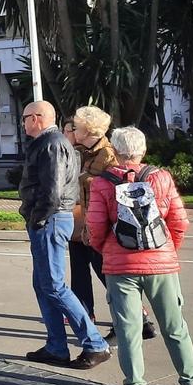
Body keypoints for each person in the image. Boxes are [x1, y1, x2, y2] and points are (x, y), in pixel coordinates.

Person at [87, 127, 193, 385]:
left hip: (120, 265)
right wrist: (168, 249)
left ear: (114, 152)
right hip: (162, 264)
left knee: (128, 330)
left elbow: (95, 227)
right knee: (174, 326)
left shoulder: (103, 183)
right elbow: (180, 222)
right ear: (143, 150)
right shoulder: (161, 178)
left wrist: (106, 250)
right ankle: (191, 382)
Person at [19, 101, 111, 370]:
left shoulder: (53, 143)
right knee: (44, 284)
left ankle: (95, 344)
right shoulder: (53, 142)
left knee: (54, 285)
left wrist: (38, 217)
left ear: (36, 118)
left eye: (25, 118)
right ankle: (56, 347)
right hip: (48, 219)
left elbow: (53, 189)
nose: (23, 122)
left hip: (50, 219)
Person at [67, 106, 157, 341]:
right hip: (84, 220)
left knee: (107, 275)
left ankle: (137, 319)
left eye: (76, 127)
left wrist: (87, 180)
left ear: (88, 130)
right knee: (79, 270)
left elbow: (115, 187)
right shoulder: (83, 151)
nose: (73, 131)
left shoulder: (108, 154)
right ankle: (85, 318)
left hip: (103, 225)